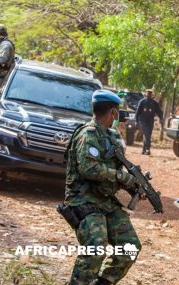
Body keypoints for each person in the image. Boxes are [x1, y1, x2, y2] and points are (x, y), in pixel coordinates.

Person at [64, 89, 143, 285]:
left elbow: (116, 171)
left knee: (130, 247)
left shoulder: (112, 136)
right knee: (96, 249)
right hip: (83, 200)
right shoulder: (88, 134)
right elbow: (89, 169)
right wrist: (119, 175)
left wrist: (133, 186)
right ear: (113, 112)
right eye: (118, 111)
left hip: (105, 201)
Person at [135, 89, 164, 155]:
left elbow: (159, 111)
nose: (149, 95)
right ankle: (148, 149)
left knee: (148, 135)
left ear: (152, 95)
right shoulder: (142, 102)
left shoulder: (154, 103)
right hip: (143, 121)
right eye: (148, 93)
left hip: (150, 121)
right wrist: (136, 120)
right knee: (147, 134)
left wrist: (161, 119)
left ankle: (143, 149)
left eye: (150, 94)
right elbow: (138, 112)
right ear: (146, 94)